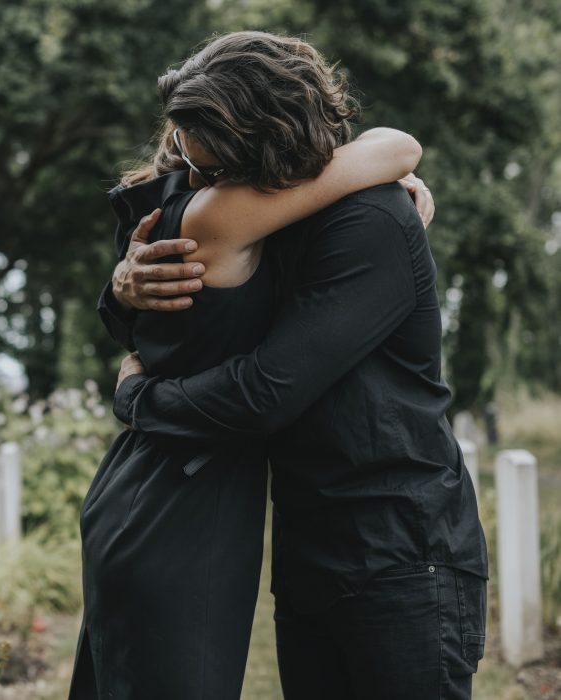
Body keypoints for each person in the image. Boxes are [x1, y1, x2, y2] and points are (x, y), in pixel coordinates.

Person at [106, 32, 487, 700]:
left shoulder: (372, 217)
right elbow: (186, 320)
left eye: (213, 167)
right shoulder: (275, 221)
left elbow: (262, 393)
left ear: (263, 136)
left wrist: (140, 400)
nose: (201, 186)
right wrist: (122, 287)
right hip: (311, 550)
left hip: (403, 555)